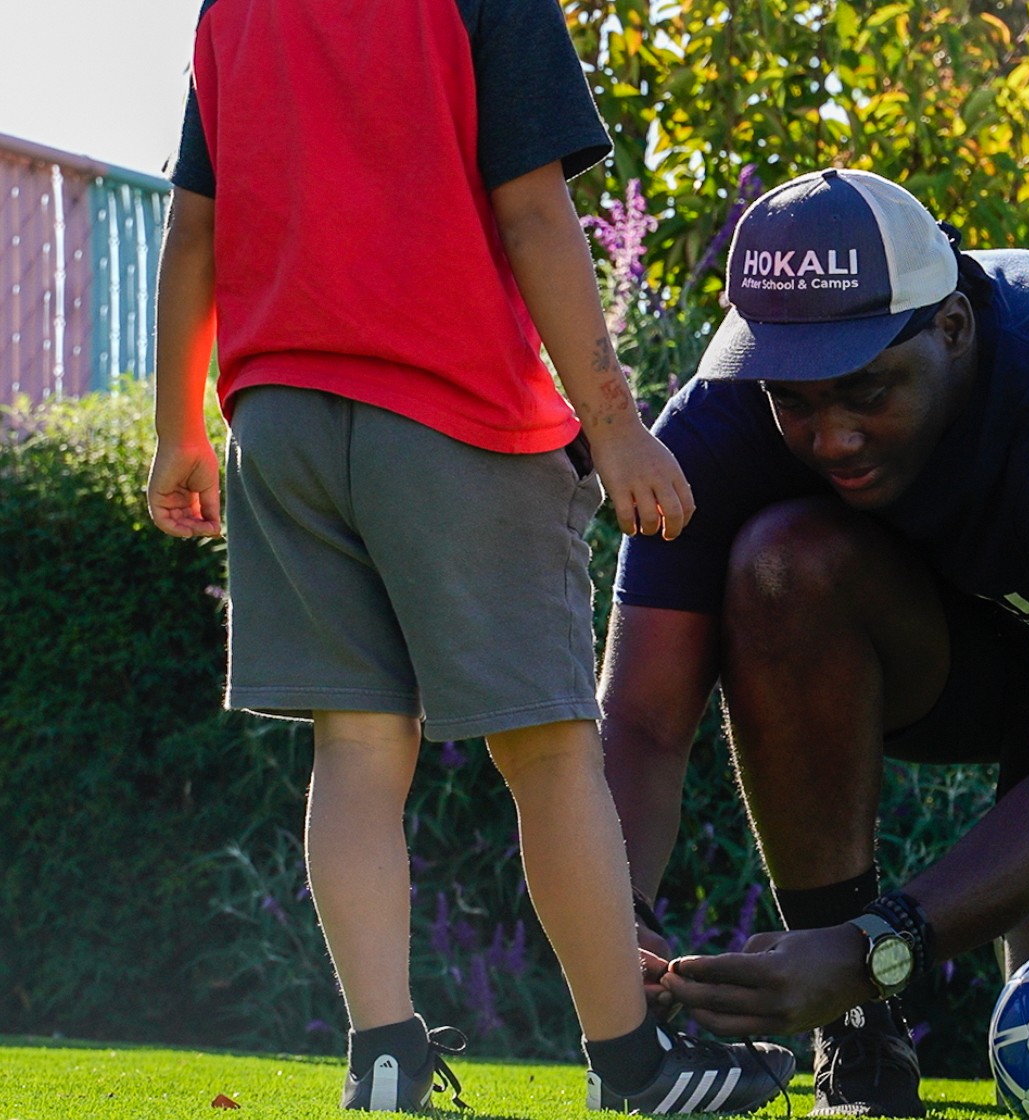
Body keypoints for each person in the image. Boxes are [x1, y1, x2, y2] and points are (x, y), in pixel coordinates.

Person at [146, 0, 794, 1111]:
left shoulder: (231, 8)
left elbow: (193, 227)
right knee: (546, 752)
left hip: (280, 419)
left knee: (354, 747)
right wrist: (615, 422)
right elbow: (535, 212)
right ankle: (631, 1065)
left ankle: (382, 1058)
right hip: (449, 409)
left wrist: (177, 434)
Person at [601, 168, 1029, 1118]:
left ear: (953, 327)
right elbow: (640, 719)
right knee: (782, 561)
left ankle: (863, 973)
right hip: (935, 655)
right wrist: (609, 921)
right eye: (794, 400)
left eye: (868, 387)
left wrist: (879, 944)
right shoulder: (721, 421)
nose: (830, 436)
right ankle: (860, 1040)